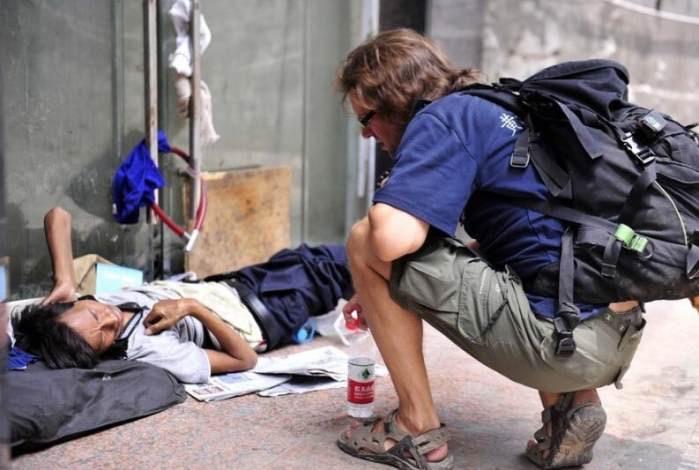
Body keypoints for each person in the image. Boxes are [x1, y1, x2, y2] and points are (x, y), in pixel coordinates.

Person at [334, 29, 645, 470]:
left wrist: (392, 195)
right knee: (527, 257)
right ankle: (571, 410)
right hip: (615, 332)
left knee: (365, 239)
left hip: (560, 343)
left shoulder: (442, 119)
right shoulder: (501, 107)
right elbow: (522, 238)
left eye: (366, 118)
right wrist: (378, 294)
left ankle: (414, 427)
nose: (367, 135)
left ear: (393, 99)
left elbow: (389, 240)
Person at [14, 207, 353, 384]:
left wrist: (65, 279)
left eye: (93, 314)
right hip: (266, 311)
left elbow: (58, 216)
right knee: (356, 260)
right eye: (104, 335)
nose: (108, 318)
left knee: (326, 256)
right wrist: (192, 309)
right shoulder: (150, 346)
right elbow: (244, 361)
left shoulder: (73, 311)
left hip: (238, 284)